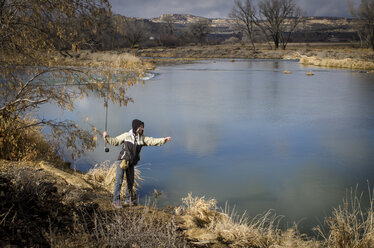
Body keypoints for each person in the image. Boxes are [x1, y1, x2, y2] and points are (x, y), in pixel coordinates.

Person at [103, 119, 171, 208]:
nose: (142, 129)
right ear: (136, 127)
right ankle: (115, 201)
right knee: (119, 181)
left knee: (130, 182)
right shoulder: (126, 135)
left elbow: (152, 141)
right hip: (122, 161)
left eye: (142, 127)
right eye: (141, 127)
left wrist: (164, 140)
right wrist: (106, 137)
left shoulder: (142, 138)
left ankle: (128, 200)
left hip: (131, 163)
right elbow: (115, 141)